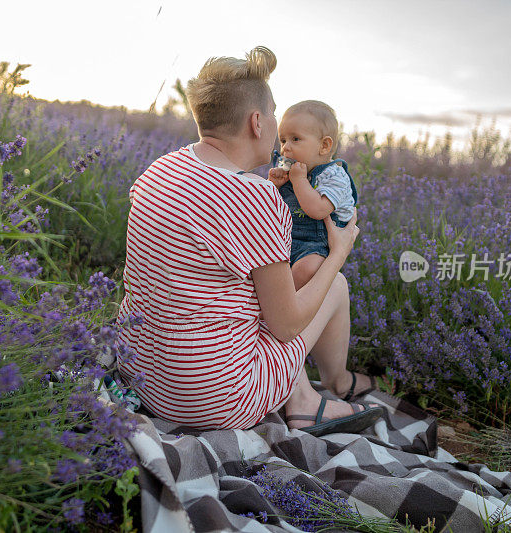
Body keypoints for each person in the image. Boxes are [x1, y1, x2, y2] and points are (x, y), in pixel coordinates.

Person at [117, 46, 382, 436]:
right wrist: (338, 253)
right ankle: (327, 391)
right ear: (257, 122)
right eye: (274, 113)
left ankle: (304, 396)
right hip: (210, 400)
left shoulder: (160, 169)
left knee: (258, 293)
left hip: (139, 372)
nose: (277, 126)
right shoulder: (256, 197)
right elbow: (287, 325)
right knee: (333, 283)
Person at [267, 101, 358, 290]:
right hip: (286, 240)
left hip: (316, 246)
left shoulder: (335, 175)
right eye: (283, 140)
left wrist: (299, 181)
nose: (285, 148)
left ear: (324, 146)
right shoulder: (294, 171)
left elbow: (318, 210)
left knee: (306, 269)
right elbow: (269, 209)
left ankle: (285, 306)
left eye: (295, 139)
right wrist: (273, 187)